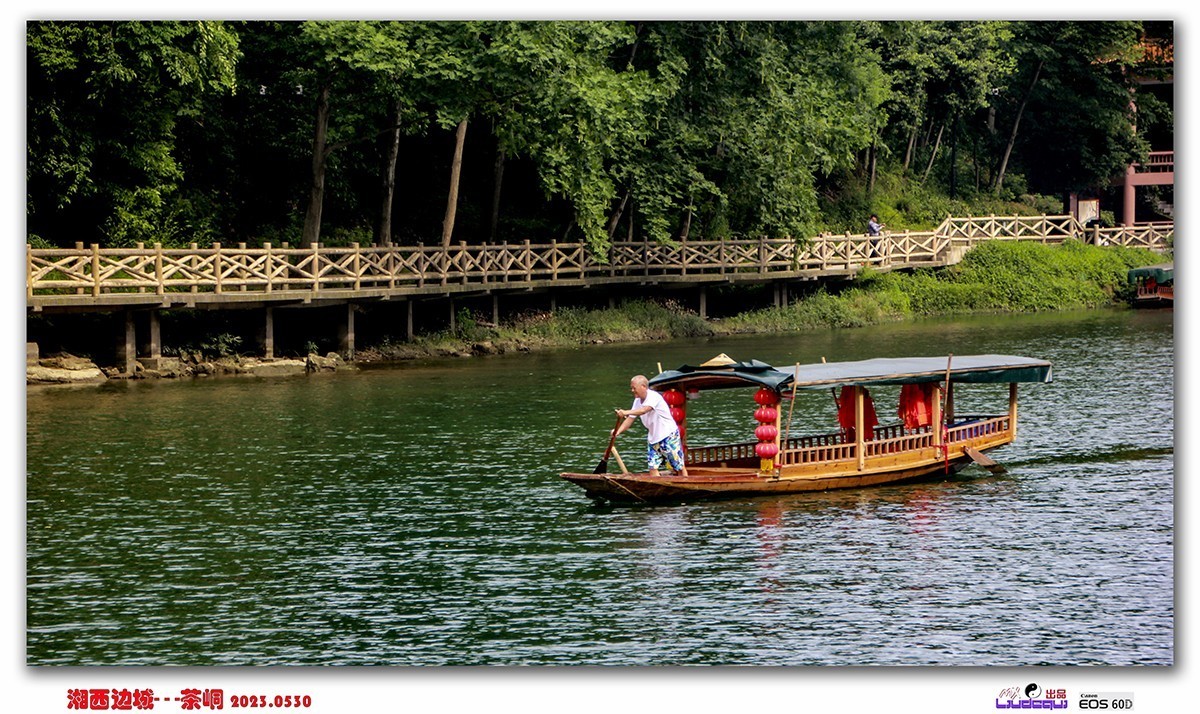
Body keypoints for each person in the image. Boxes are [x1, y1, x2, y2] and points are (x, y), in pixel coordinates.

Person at [613, 375, 689, 478]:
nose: (632, 390)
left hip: (668, 435)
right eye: (631, 388)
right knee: (653, 467)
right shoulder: (637, 401)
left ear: (643, 386)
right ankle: (658, 489)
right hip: (653, 438)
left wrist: (625, 412)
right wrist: (617, 431)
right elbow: (630, 419)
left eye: (634, 388)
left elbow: (644, 410)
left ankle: (684, 484)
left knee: (678, 465)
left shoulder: (654, 397)